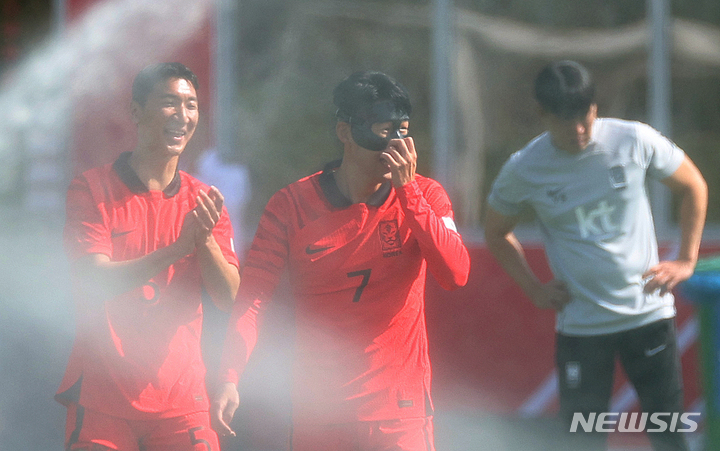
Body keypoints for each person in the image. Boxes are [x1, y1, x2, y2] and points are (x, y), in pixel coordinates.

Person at [212, 70, 471, 451]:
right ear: (345, 132)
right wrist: (230, 375)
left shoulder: (426, 196)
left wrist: (409, 192)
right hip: (320, 416)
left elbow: (456, 274)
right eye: (383, 131)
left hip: (400, 416)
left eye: (403, 131)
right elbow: (253, 299)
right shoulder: (291, 205)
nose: (396, 146)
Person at [484, 60, 707, 451]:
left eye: (585, 116)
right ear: (543, 115)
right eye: (565, 121)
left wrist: (686, 259)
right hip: (582, 330)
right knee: (580, 442)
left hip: (649, 318)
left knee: (670, 437)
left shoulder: (633, 140)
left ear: (594, 107)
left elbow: (693, 185)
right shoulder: (525, 168)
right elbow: (495, 231)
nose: (579, 130)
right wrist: (534, 290)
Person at [56, 62, 240, 451]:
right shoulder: (90, 189)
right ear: (137, 112)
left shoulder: (205, 201)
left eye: (191, 105)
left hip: (182, 401)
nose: (183, 116)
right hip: (104, 398)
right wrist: (176, 250)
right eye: (170, 103)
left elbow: (230, 298)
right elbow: (95, 280)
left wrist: (203, 241)